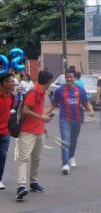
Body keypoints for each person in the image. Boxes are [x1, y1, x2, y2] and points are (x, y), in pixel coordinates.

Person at [46, 69, 95, 175]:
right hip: (64, 119)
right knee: (65, 141)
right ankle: (65, 164)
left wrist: (91, 110)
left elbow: (86, 103)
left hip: (77, 119)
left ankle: (71, 156)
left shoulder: (80, 90)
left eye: (71, 77)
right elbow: (53, 104)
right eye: (67, 77)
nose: (69, 79)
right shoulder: (59, 90)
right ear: (65, 77)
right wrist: (43, 114)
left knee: (73, 140)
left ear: (74, 78)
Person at [16, 70, 53, 201]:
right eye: (50, 82)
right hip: (27, 131)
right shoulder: (33, 92)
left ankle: (33, 182)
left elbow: (38, 111)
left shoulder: (42, 93)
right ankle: (21, 186)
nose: (51, 84)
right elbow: (26, 111)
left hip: (39, 130)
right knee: (24, 158)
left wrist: (42, 125)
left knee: (36, 159)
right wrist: (41, 118)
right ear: (48, 82)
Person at [0, 72, 15, 190]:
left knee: (2, 156)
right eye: (10, 81)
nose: (12, 83)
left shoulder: (12, 96)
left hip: (5, 133)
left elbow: (10, 110)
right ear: (4, 83)